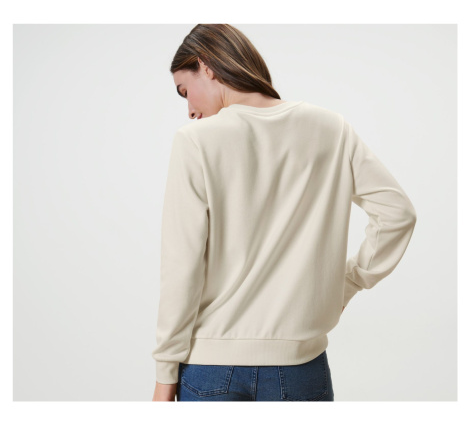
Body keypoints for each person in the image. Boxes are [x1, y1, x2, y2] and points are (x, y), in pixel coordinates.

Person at [151, 24, 417, 402]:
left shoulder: (194, 141)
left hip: (210, 366)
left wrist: (165, 375)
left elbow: (182, 266)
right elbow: (397, 214)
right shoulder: (331, 128)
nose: (190, 109)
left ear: (205, 65)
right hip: (301, 367)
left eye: (184, 90)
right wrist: (348, 284)